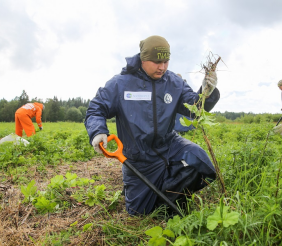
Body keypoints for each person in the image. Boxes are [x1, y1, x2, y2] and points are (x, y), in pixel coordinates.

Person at [85, 35, 220, 216]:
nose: (162, 67)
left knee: (202, 164)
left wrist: (206, 93)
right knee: (138, 213)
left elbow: (194, 109)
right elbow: (96, 108)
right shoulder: (120, 84)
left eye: (166, 61)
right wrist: (98, 131)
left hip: (169, 145)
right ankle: (149, 192)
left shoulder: (175, 83)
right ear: (143, 59)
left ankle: (170, 197)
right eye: (157, 62)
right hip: (139, 157)